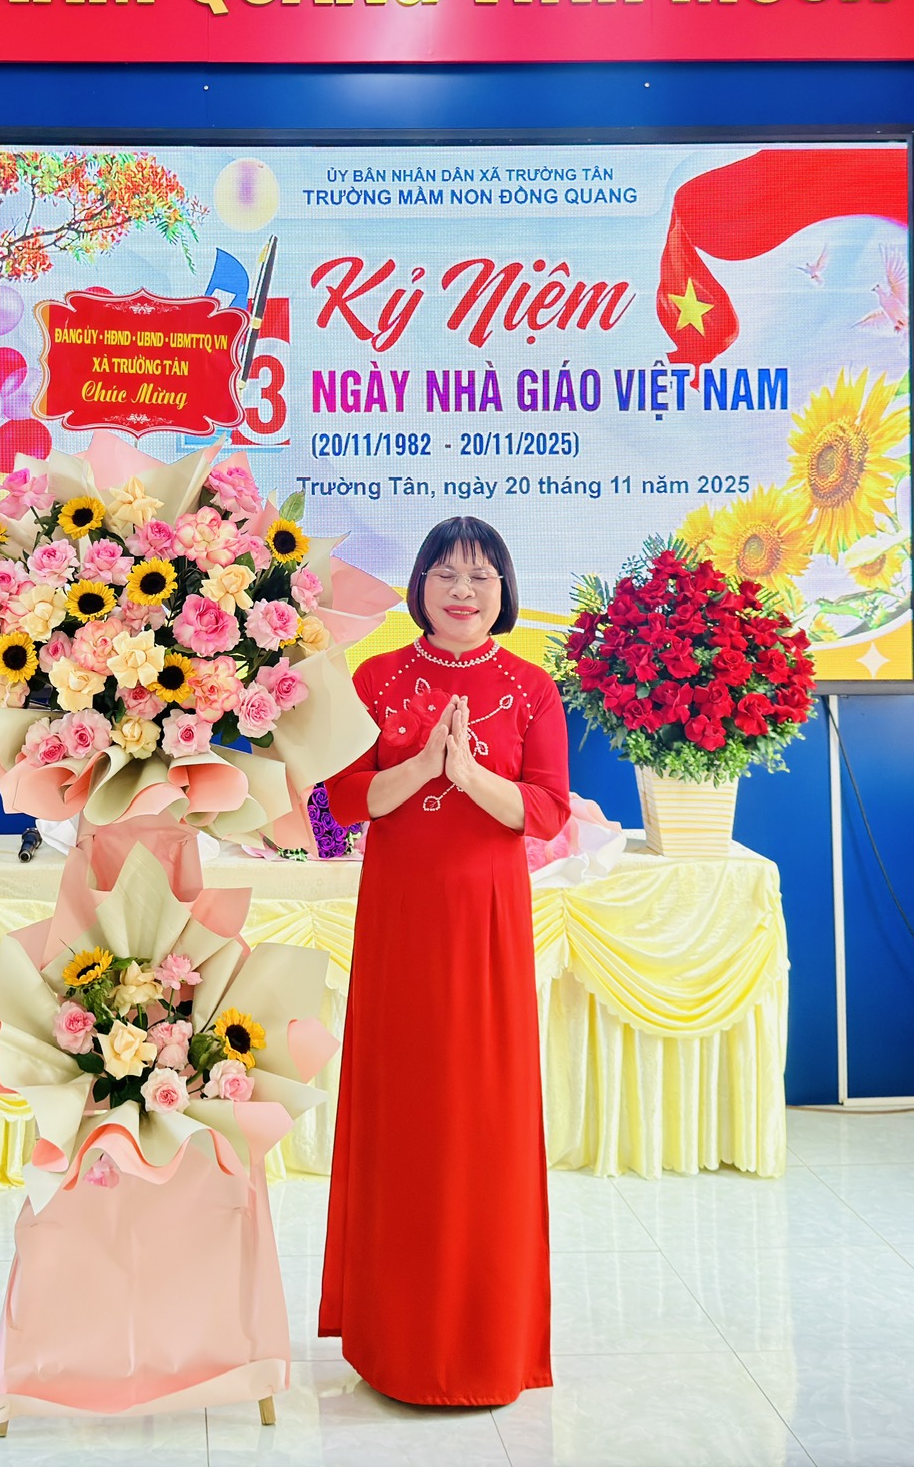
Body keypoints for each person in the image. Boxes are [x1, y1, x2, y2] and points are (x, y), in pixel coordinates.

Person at [318, 516, 567, 1407]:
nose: (464, 591)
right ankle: (395, 1343)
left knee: (484, 1119)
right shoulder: (376, 677)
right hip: (401, 922)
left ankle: (486, 1347)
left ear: (504, 591)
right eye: (447, 574)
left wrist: (469, 778)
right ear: (419, 584)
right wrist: (425, 765)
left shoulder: (532, 687)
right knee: (405, 1116)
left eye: (482, 576)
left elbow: (545, 811)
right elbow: (342, 802)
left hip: (487, 925)